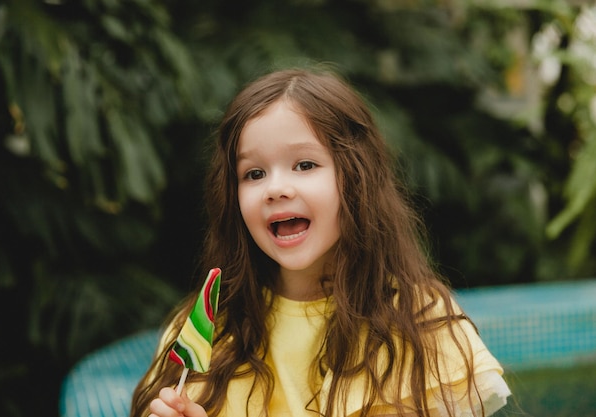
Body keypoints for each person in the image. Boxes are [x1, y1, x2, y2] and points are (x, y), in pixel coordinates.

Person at [130, 66, 512, 417]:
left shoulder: (421, 323)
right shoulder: (209, 330)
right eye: (254, 173)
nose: (276, 188)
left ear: (356, 179)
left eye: (305, 165)